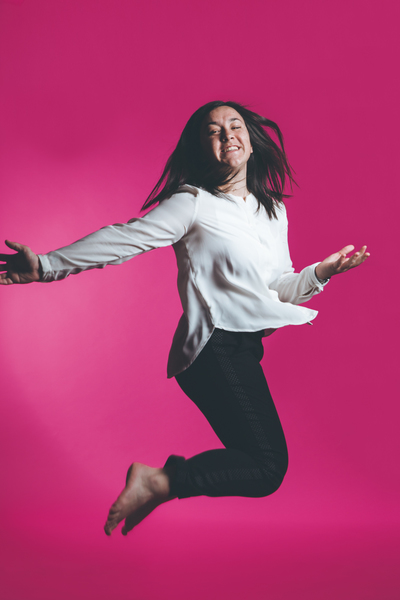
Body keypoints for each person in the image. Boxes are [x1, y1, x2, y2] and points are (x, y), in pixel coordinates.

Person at [0, 101, 369, 536]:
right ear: (201, 149)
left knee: (261, 465)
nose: (227, 135)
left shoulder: (271, 210)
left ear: (251, 142)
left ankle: (160, 482)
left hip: (244, 348)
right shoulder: (192, 204)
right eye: (213, 131)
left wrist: (320, 273)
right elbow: (125, 239)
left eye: (235, 125)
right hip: (213, 346)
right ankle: (158, 482)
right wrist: (46, 266)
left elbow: (274, 288)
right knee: (269, 464)